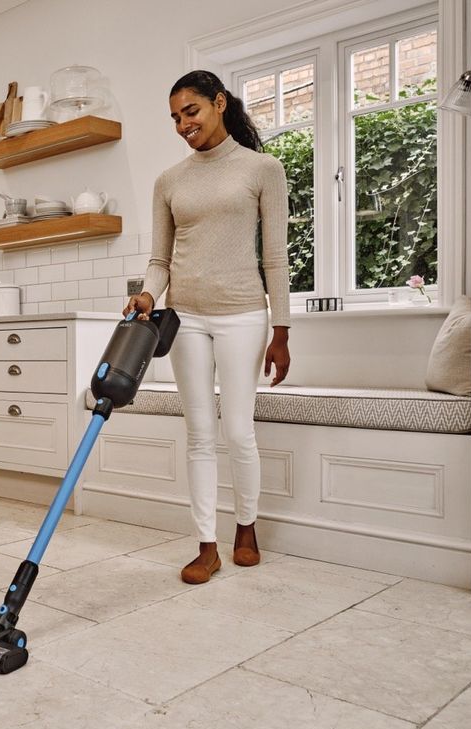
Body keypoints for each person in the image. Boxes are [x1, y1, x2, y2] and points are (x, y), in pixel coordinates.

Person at [124, 70, 291, 584]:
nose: (182, 124)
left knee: (238, 431)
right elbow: (160, 258)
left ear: (219, 103)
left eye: (190, 111)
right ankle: (205, 544)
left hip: (243, 312)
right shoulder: (169, 181)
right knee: (199, 434)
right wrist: (149, 293)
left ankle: (246, 526)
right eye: (175, 117)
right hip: (186, 317)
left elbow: (277, 258)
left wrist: (280, 331)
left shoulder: (263, 169)